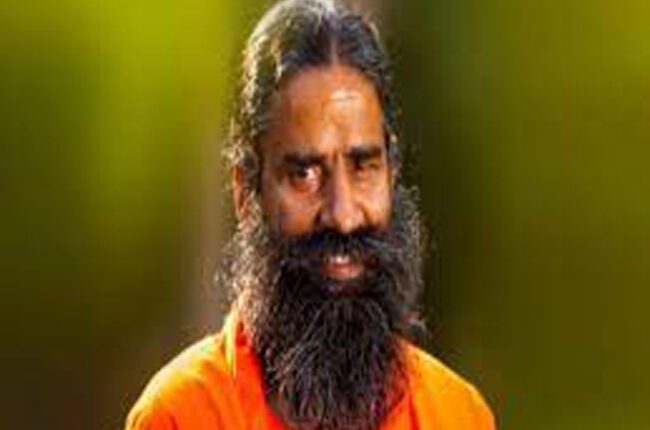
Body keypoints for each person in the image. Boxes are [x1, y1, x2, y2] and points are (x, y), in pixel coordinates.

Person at [124, 0, 496, 429]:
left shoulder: (457, 414)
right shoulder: (182, 415)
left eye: (363, 166)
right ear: (245, 193)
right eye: (304, 173)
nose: (343, 215)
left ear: (391, 173)